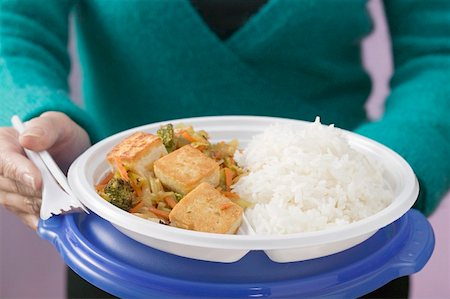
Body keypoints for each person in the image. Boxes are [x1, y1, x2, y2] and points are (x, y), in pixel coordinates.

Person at [1, 0, 449, 298]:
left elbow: (440, 48)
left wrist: (386, 179)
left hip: (345, 255)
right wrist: (37, 115)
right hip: (121, 253)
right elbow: (14, 22)